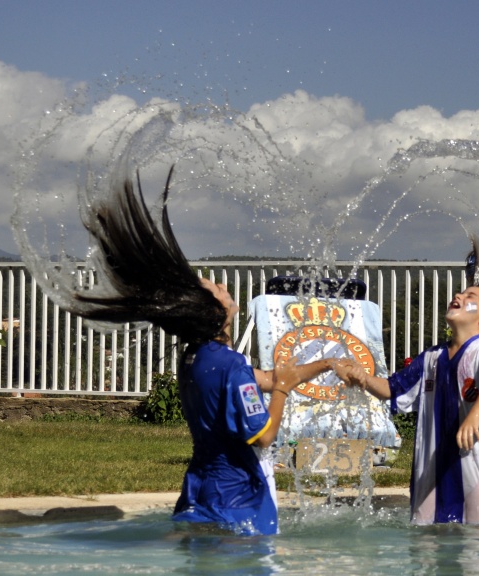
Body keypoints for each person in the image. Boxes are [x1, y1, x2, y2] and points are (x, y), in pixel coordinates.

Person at [48, 166, 335, 534]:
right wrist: (282, 390)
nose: (220, 286)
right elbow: (264, 435)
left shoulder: (194, 358)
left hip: (199, 494)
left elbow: (263, 378)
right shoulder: (231, 365)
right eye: (215, 289)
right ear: (215, 312)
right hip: (235, 505)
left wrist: (324, 364)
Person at [336, 216, 479, 525]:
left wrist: (474, 415)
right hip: (429, 471)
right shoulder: (431, 357)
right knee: (426, 545)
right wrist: (363, 379)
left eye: (470, 297)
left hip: (477, 466)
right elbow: (392, 389)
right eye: (461, 294)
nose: (459, 296)